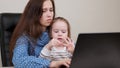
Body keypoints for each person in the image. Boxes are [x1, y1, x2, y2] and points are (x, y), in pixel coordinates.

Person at [10, 0, 71, 68]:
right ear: (33, 14)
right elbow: (19, 61)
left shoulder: (56, 31)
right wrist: (51, 64)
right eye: (43, 11)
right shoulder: (24, 37)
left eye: (51, 10)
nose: (49, 15)